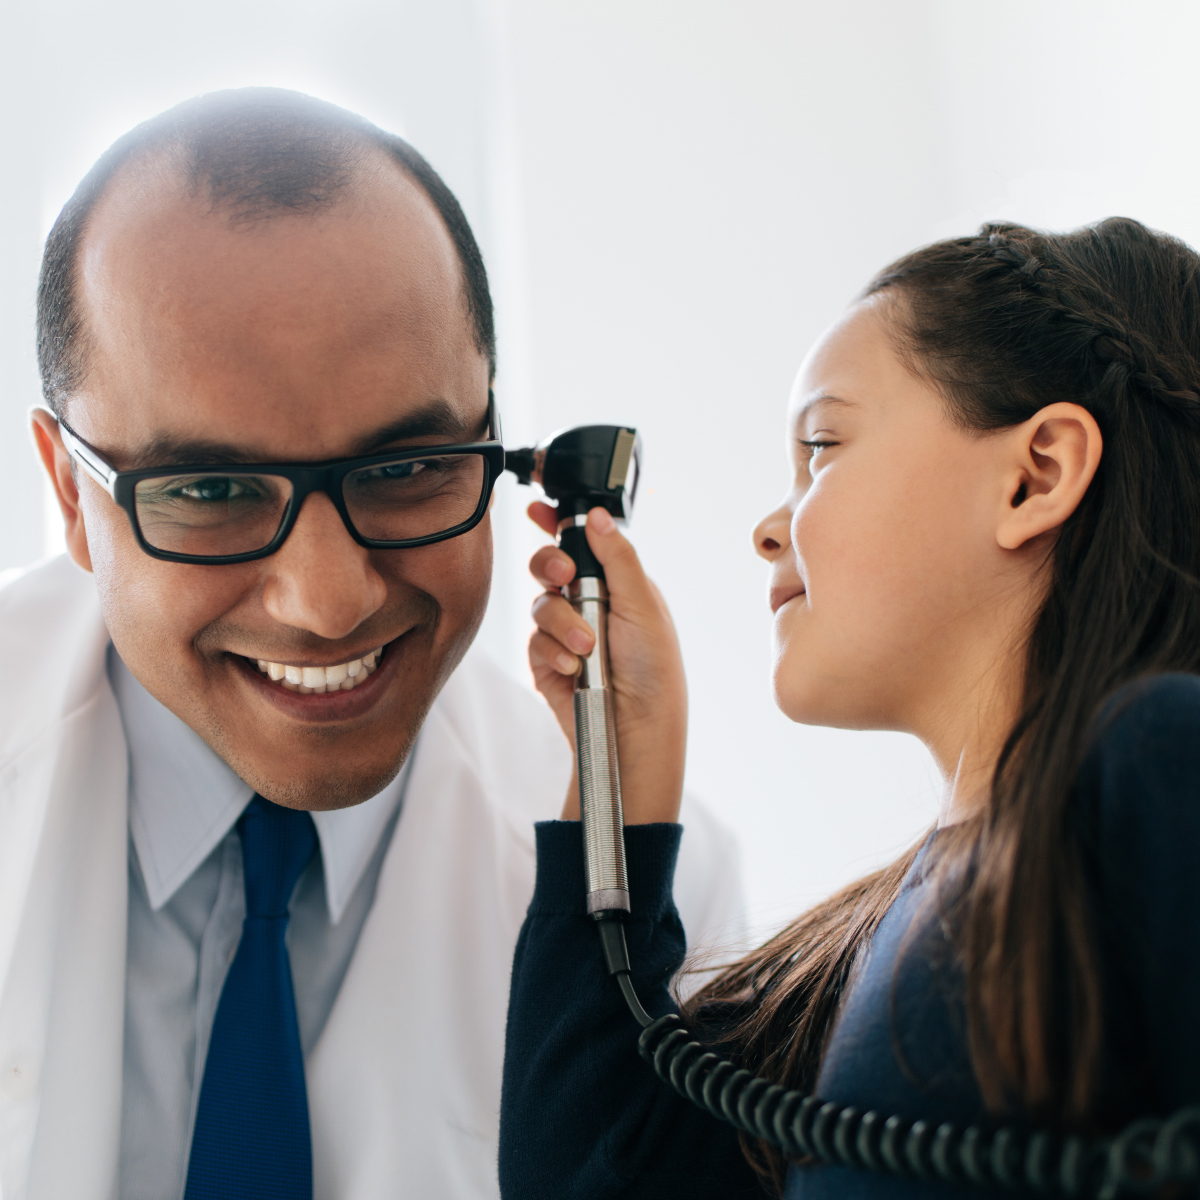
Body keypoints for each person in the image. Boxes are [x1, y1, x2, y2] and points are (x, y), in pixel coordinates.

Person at [0, 88, 745, 1200]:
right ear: (70, 491)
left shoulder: (639, 908)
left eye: (403, 471)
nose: (327, 602)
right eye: (210, 487)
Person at [500, 217, 1200, 1198]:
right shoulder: (881, 945)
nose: (768, 528)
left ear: (1034, 475)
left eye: (822, 445)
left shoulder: (1160, 766)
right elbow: (588, 1176)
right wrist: (627, 761)